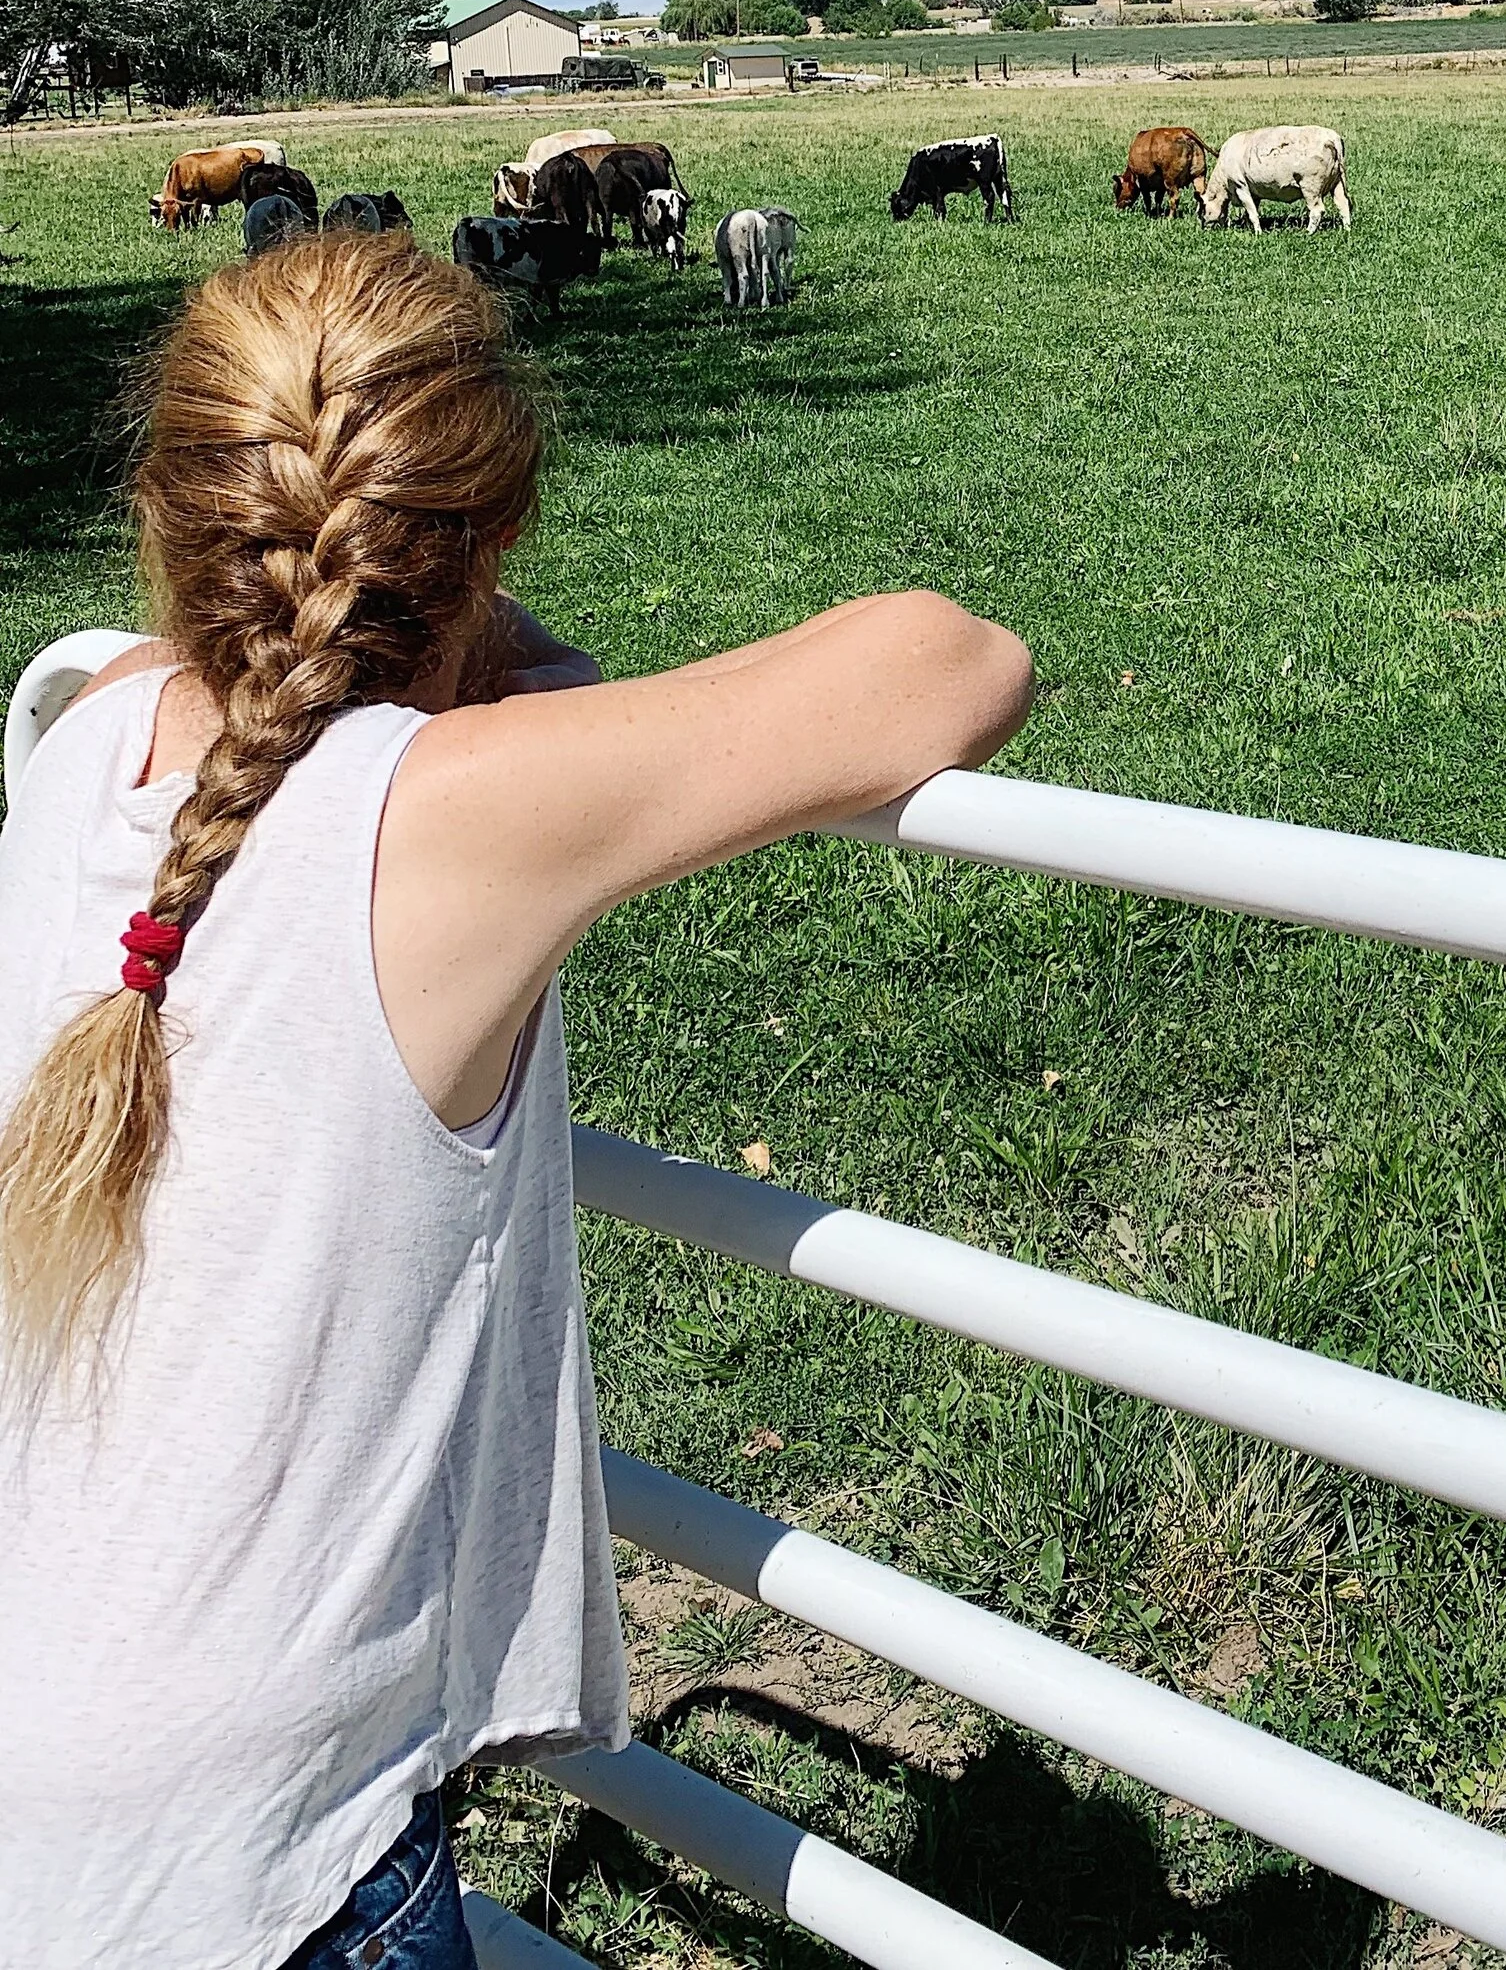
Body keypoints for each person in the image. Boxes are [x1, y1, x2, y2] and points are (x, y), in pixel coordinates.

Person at [0, 232, 1031, 1967]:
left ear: (168, 508)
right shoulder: (455, 809)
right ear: (486, 531)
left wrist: (425, 606)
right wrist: (474, 626)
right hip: (266, 1842)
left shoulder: (90, 727)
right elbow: (949, 660)